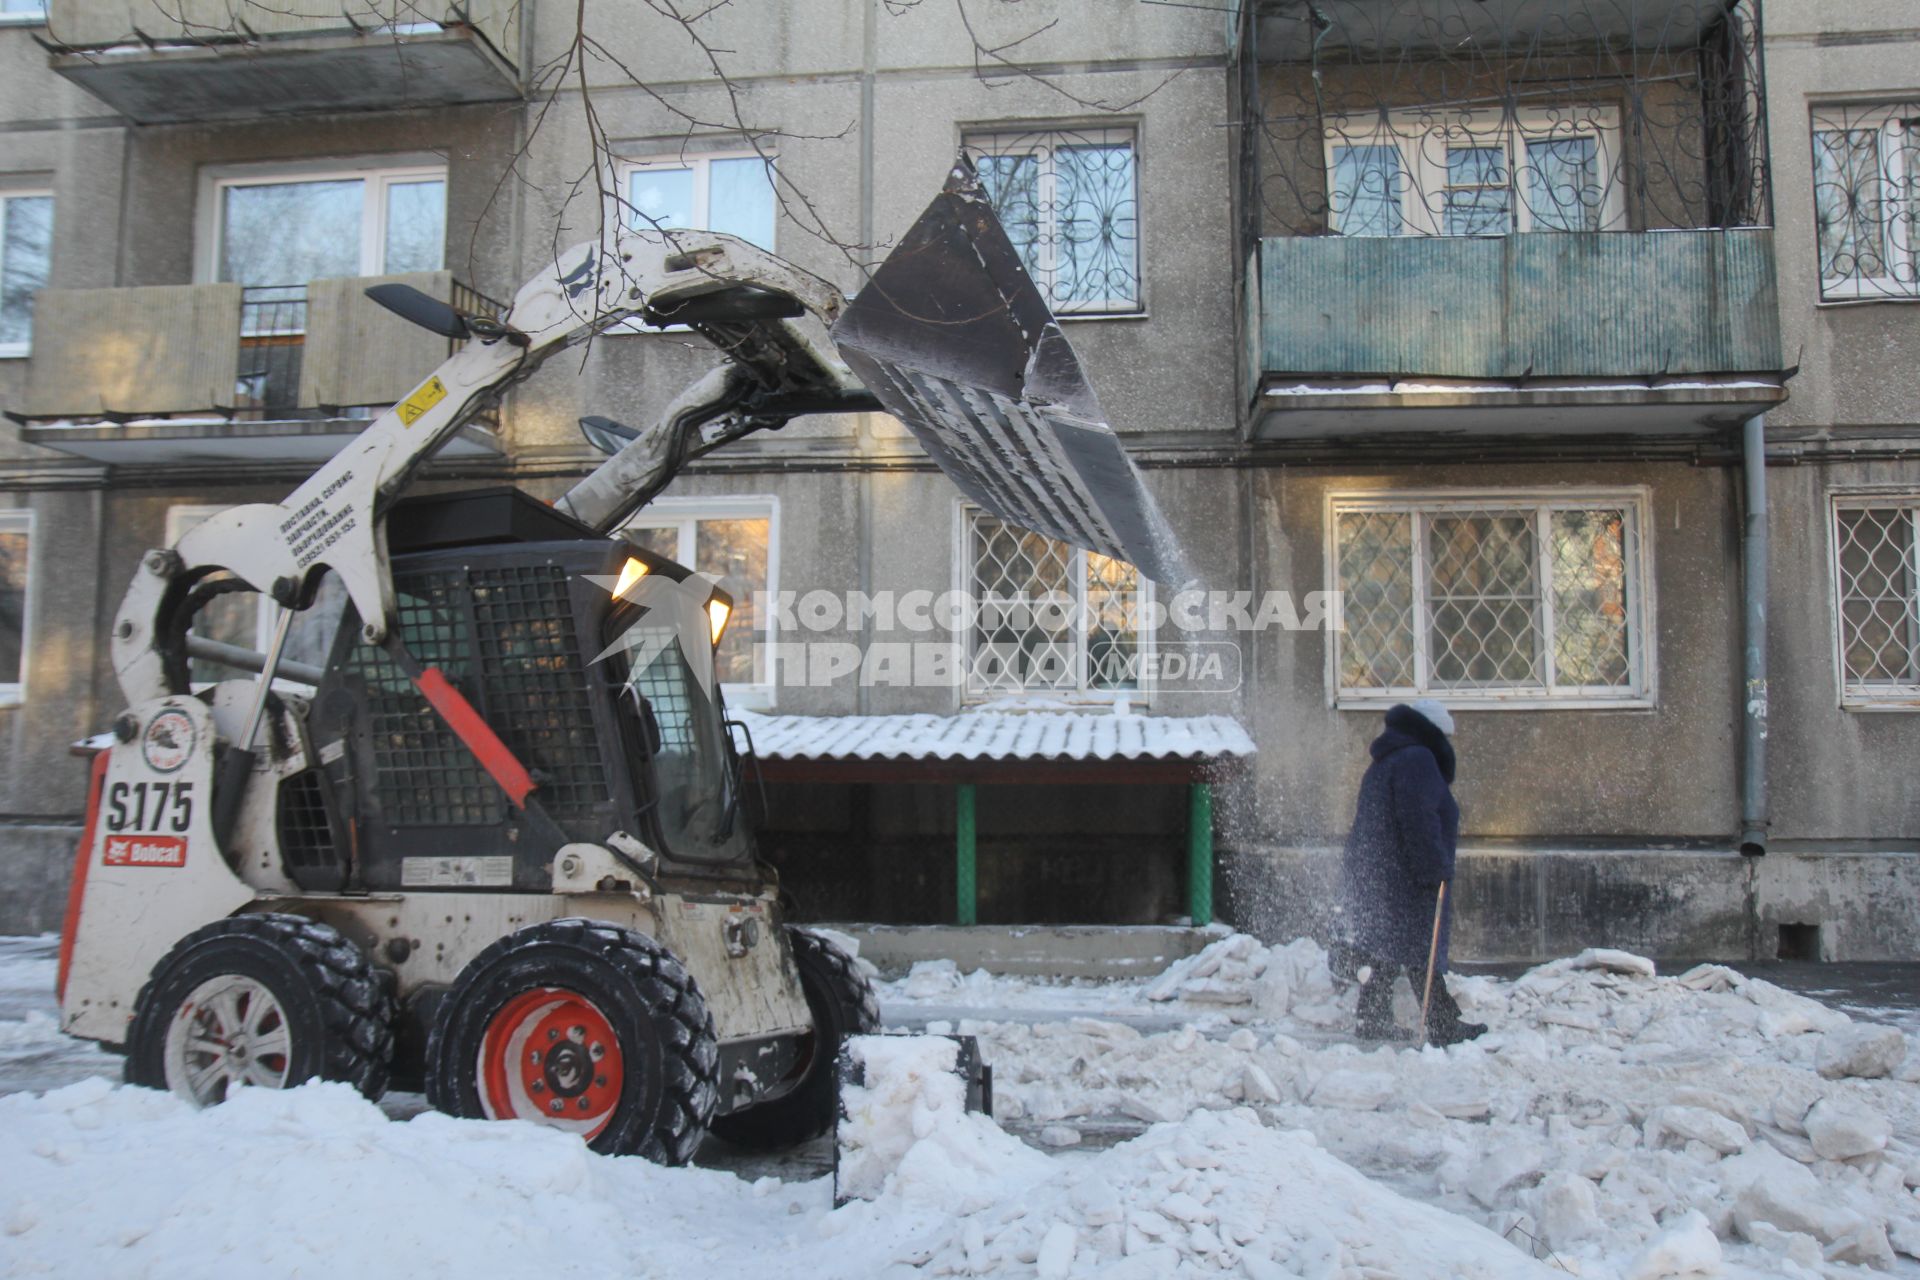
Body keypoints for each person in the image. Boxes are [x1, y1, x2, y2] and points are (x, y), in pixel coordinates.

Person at [1339, 699, 1486, 1045]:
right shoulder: (1417, 760)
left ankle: (1373, 1017)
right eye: (1446, 737)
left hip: (1385, 873)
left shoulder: (1388, 761)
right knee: (1423, 950)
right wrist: (1433, 867)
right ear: (1432, 733)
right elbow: (1419, 819)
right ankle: (1442, 1024)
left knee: (1389, 948)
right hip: (1408, 875)